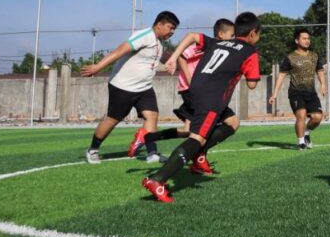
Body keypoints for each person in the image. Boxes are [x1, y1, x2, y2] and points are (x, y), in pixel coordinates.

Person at [142, 12, 261, 203]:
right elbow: (252, 84)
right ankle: (158, 179)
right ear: (253, 33)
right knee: (196, 138)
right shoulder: (250, 51)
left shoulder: (217, 42)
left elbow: (191, 36)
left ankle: (197, 156)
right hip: (212, 98)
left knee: (232, 122)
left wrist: (172, 57)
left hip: (196, 90)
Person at [82, 11, 179, 164]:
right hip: (123, 86)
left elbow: (150, 63)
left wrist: (171, 63)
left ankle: (152, 153)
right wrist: (98, 67)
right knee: (113, 119)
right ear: (159, 25)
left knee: (152, 116)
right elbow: (120, 50)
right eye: (170, 27)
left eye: (174, 29)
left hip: (144, 88)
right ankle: (93, 150)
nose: (172, 32)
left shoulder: (159, 44)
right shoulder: (144, 35)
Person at [142, 18, 235, 163]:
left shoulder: (222, 50)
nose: (233, 39)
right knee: (228, 122)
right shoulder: (205, 45)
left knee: (188, 130)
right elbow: (182, 57)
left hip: (201, 91)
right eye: (232, 35)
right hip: (192, 90)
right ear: (221, 34)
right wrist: (192, 81)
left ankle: (149, 137)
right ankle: (197, 158)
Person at [269, 28, 327, 150]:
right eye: (304, 38)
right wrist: (274, 94)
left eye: (308, 38)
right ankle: (301, 142)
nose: (307, 41)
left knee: (317, 117)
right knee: (301, 114)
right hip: (296, 92)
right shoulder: (290, 57)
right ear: (297, 40)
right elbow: (281, 76)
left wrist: (323, 85)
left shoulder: (314, 56)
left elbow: (320, 71)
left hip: (311, 92)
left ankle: (306, 132)